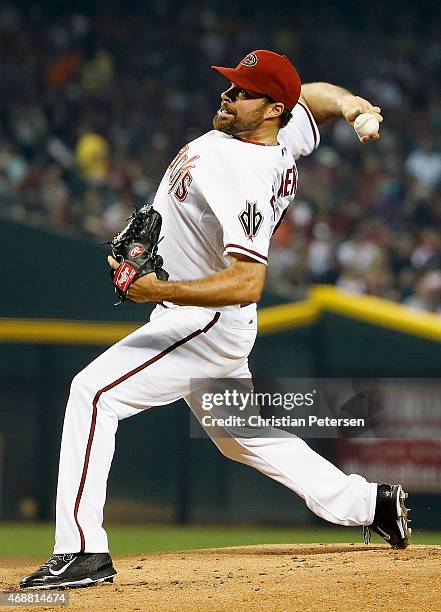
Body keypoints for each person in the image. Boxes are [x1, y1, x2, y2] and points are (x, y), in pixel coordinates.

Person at [21, 49, 410, 590]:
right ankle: (369, 503)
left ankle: (82, 550)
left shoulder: (241, 170)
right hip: (210, 322)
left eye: (242, 92)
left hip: (201, 320)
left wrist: (160, 288)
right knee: (241, 435)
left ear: (271, 109)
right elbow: (311, 96)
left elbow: (248, 281)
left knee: (92, 393)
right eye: (229, 86)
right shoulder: (276, 133)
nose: (227, 96)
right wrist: (348, 104)